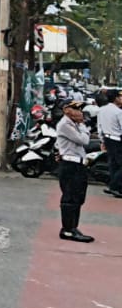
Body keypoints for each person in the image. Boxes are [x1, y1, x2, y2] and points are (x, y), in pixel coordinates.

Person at [55, 99, 94, 242]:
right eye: (77, 109)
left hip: (78, 165)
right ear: (67, 110)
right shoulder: (65, 124)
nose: (80, 112)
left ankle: (73, 227)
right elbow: (83, 140)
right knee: (70, 198)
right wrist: (83, 125)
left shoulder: (74, 124)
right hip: (70, 166)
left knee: (78, 198)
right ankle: (67, 229)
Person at [98, 88, 122, 199]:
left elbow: (100, 127)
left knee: (113, 164)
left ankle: (114, 186)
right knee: (119, 165)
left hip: (107, 139)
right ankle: (114, 186)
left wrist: (102, 140)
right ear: (116, 98)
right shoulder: (118, 112)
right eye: (120, 97)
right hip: (117, 140)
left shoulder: (102, 110)